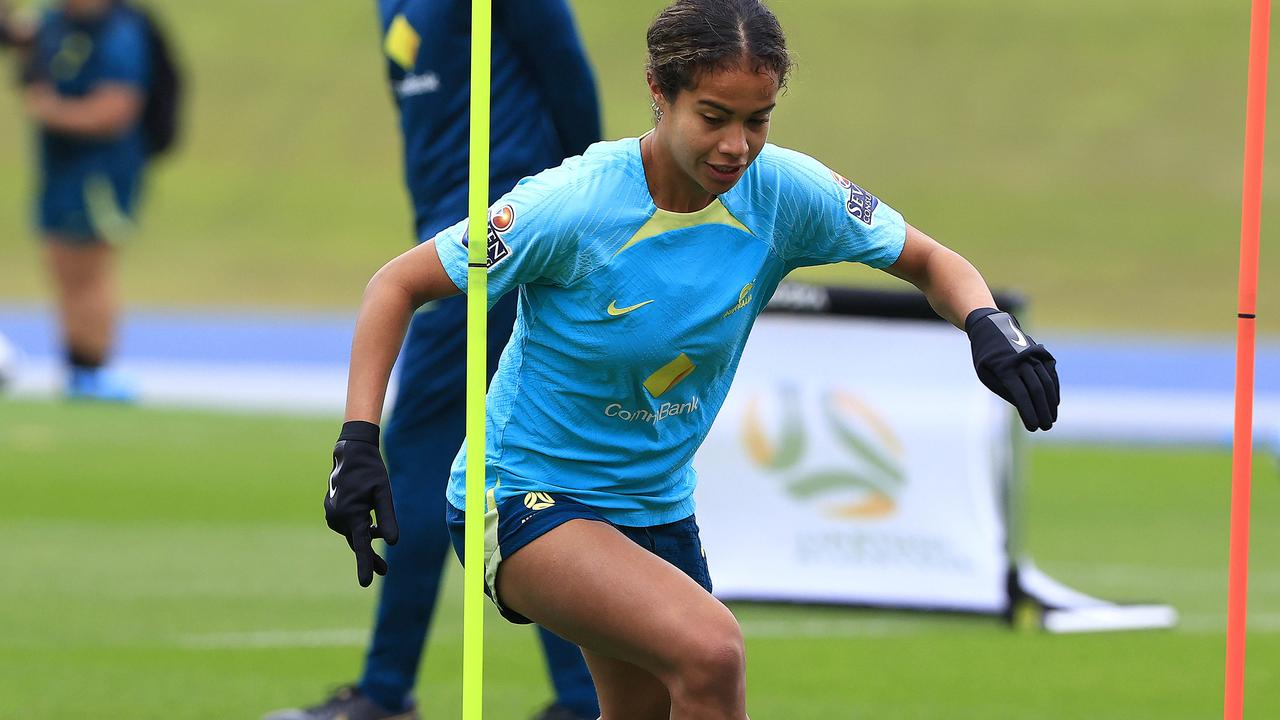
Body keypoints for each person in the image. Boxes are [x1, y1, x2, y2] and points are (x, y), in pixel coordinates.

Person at [323, 0, 1061, 717]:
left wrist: (988, 325)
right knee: (712, 652)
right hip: (521, 496)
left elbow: (932, 261)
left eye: (757, 120)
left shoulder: (784, 194)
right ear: (659, 93)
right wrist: (358, 444)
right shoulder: (571, 204)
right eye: (713, 116)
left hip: (656, 507)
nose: (736, 146)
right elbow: (396, 286)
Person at [267, 2, 603, 720]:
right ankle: (581, 697)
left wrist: (586, 228)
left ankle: (389, 691)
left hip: (504, 237)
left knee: (422, 455)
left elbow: (571, 86)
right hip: (448, 237)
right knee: (523, 459)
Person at [9, 0, 154, 402]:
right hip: (58, 170)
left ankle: (96, 368)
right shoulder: (57, 20)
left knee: (89, 267)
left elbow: (116, 110)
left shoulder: (118, 31)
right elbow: (22, 35)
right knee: (61, 264)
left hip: (97, 176)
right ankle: (76, 369)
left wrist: (50, 110)